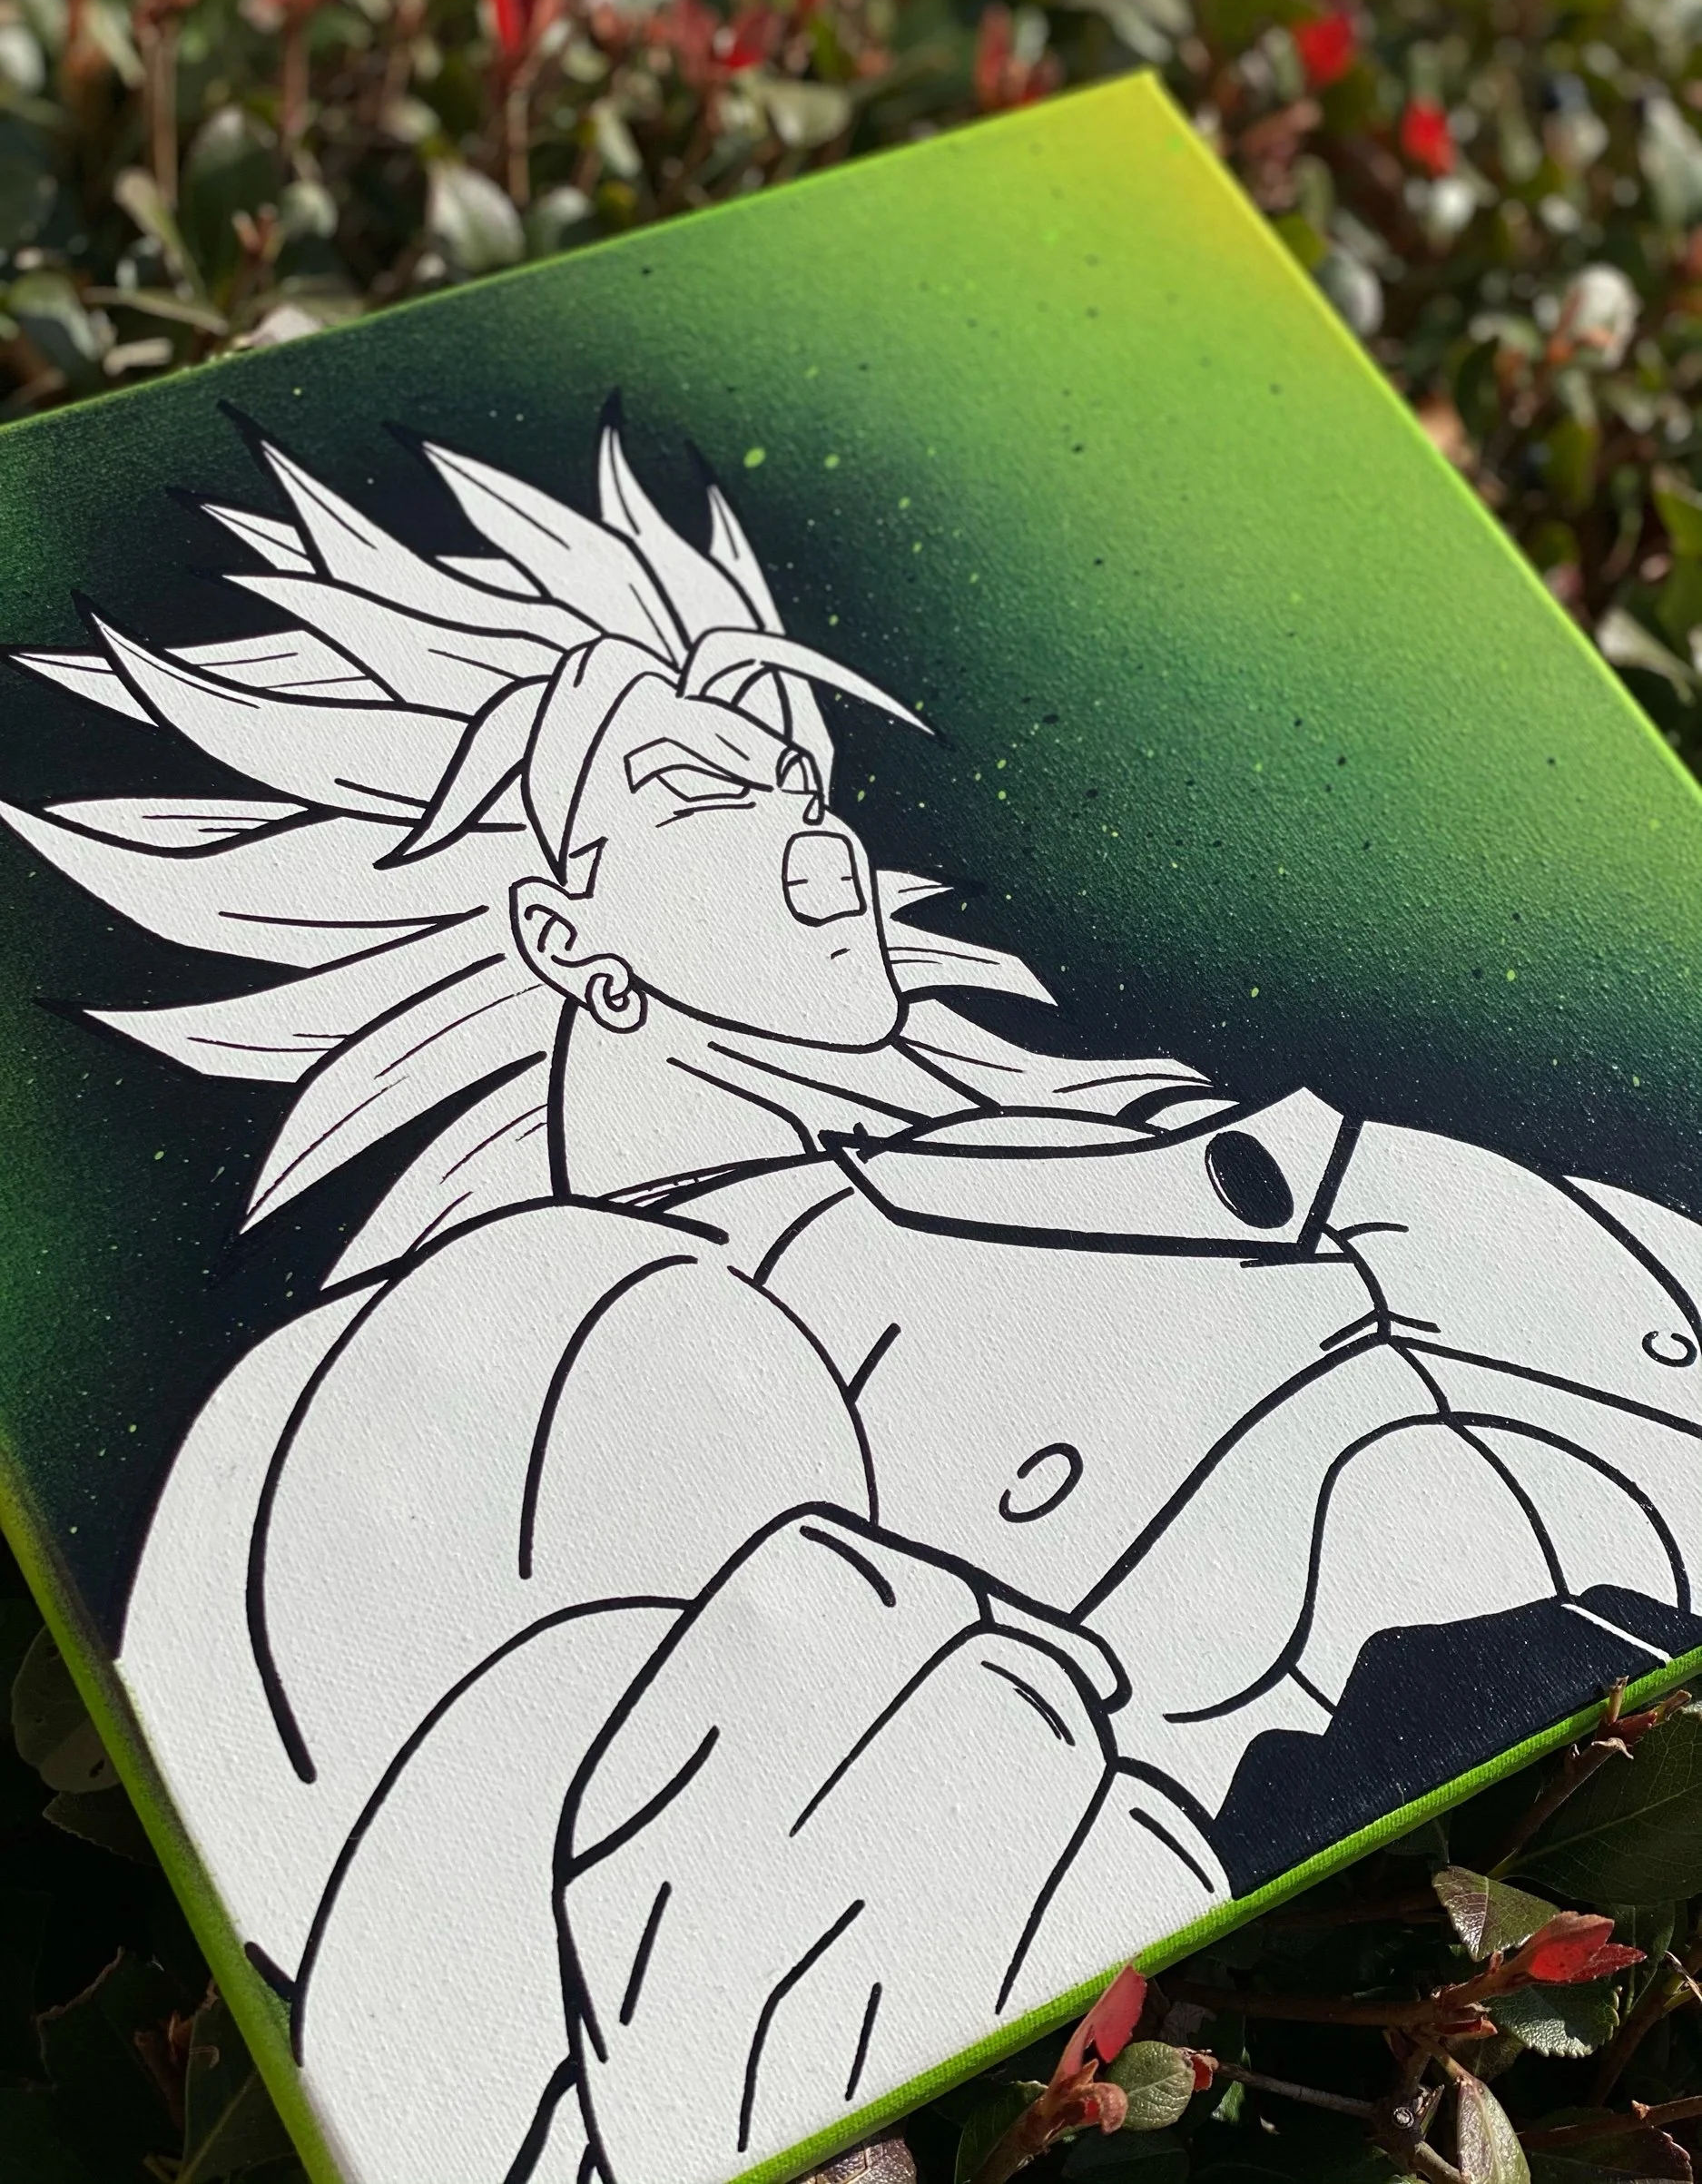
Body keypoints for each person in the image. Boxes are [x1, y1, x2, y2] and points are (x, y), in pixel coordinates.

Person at [9, 411, 1701, 2184]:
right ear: (564, 939)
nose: (822, 848)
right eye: (697, 798)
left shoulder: (1189, 1157)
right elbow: (495, 2018)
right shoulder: (489, 1367)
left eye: (800, 788)